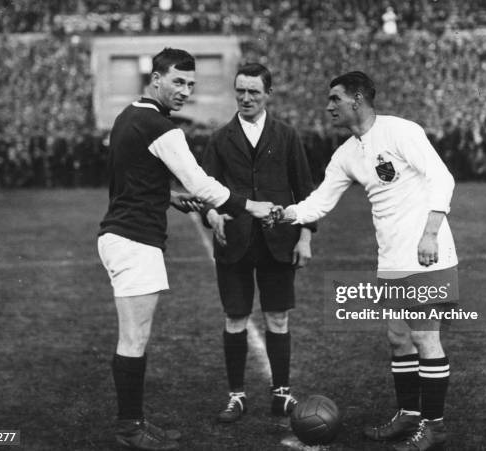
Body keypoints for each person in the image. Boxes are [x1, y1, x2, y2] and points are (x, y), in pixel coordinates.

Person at [97, 48, 274, 451]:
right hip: (134, 239)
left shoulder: (129, 115)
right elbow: (202, 184)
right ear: (155, 78)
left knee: (134, 337)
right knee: (133, 339)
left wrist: (168, 195)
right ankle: (129, 427)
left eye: (191, 85)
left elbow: (132, 176)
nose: (185, 91)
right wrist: (249, 205)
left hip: (123, 235)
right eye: (178, 81)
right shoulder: (160, 127)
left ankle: (135, 420)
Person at [273, 71, 458, 451]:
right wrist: (285, 213)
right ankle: (408, 416)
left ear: (357, 99)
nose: (328, 107)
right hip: (390, 256)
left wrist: (429, 233)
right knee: (397, 339)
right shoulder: (346, 153)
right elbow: (318, 203)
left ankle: (435, 426)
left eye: (335, 99)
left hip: (426, 252)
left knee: (425, 336)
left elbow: (443, 179)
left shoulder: (402, 131)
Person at [201, 63, 316, 423]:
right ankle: (236, 396)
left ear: (268, 94)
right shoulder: (220, 138)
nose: (246, 97)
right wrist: (212, 215)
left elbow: (305, 191)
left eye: (253, 91)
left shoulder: (286, 136)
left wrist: (307, 236)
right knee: (235, 316)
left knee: (277, 316)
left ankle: (281, 393)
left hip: (278, 241)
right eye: (241, 90)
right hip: (233, 241)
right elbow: (207, 191)